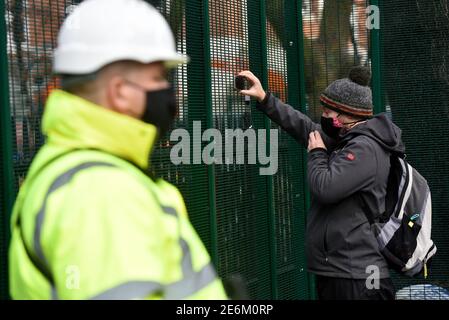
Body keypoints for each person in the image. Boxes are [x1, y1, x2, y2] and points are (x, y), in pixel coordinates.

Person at [9, 0, 227, 300]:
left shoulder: (68, 168)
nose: (168, 90)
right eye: (158, 78)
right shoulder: (101, 190)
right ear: (120, 92)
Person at [238, 67, 404, 300]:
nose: (323, 117)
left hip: (358, 277)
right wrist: (266, 99)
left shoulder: (365, 148)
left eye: (327, 111)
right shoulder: (346, 139)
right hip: (339, 270)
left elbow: (325, 187)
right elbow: (304, 127)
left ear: (346, 115)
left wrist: (317, 153)